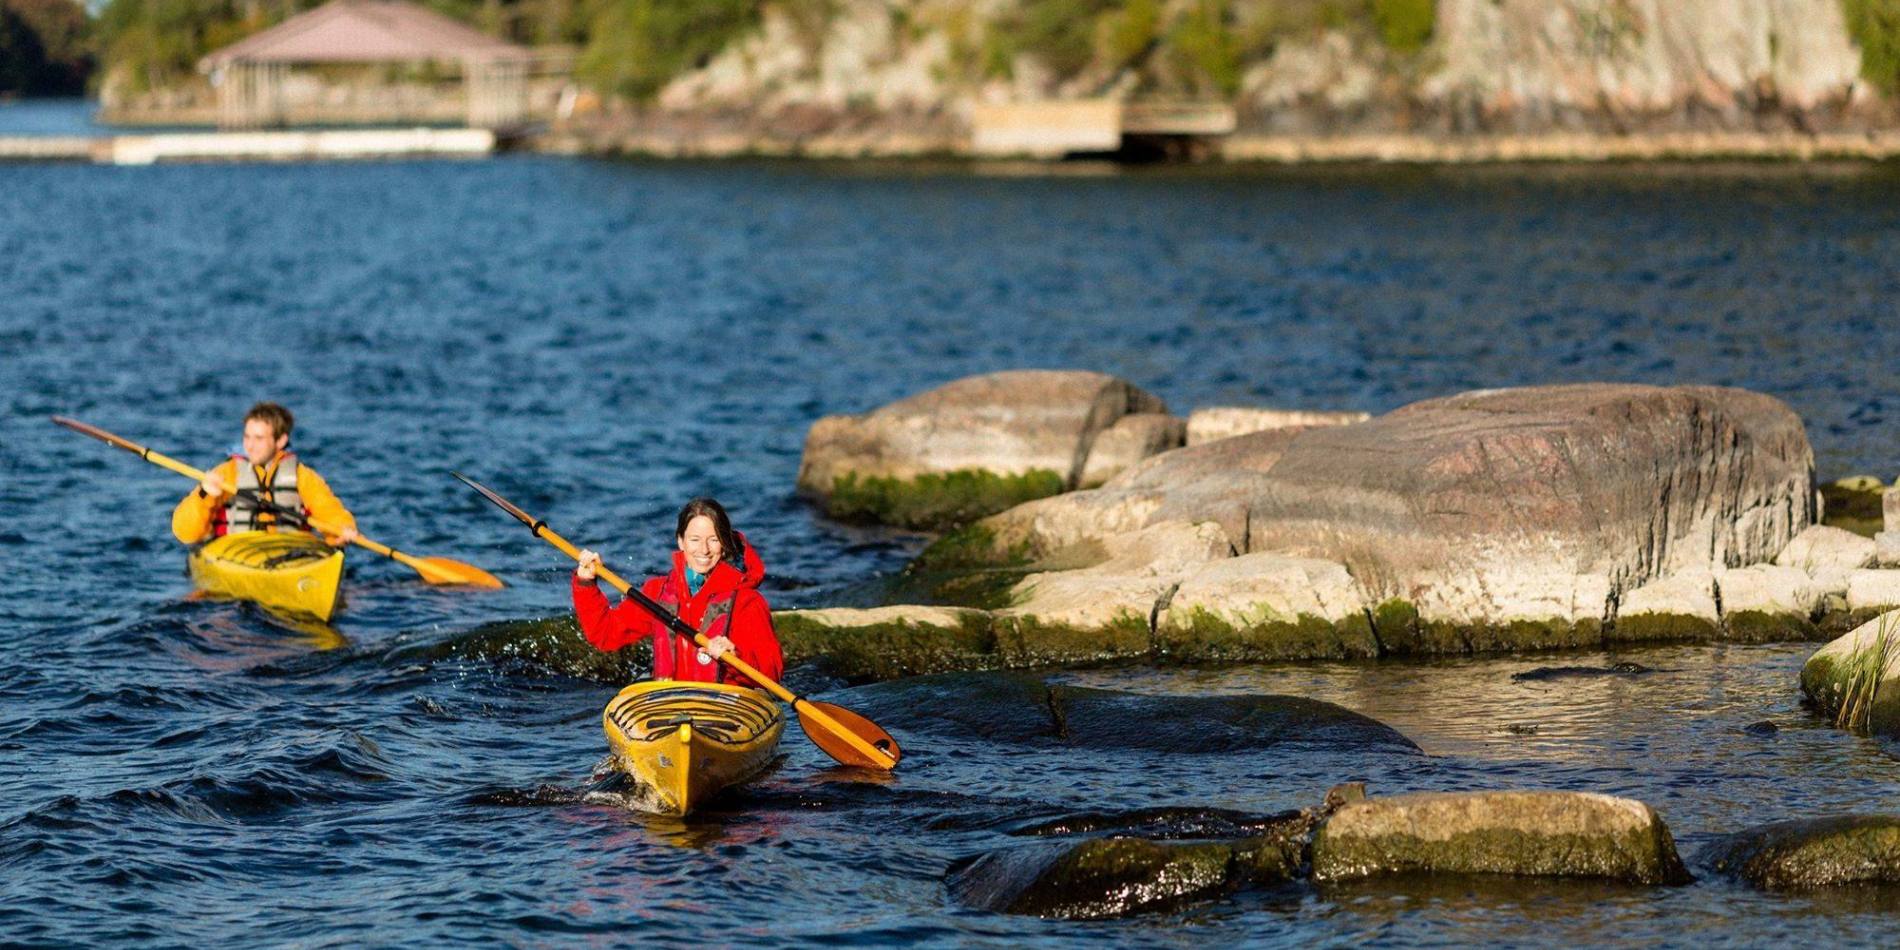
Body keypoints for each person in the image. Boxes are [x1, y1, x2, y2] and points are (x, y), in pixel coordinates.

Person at [572, 497, 784, 688]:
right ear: (680, 541)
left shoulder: (748, 600)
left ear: (725, 545)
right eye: (695, 539)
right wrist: (585, 583)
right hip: (670, 705)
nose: (704, 550)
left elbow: (771, 671)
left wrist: (735, 656)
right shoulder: (658, 592)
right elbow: (605, 634)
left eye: (713, 539)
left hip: (725, 708)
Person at [170, 402, 359, 547]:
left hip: (291, 551)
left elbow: (328, 509)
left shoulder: (303, 477)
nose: (250, 445)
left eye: (259, 438)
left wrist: (343, 529)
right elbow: (185, 533)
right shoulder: (226, 473)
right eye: (247, 437)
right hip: (236, 552)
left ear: (281, 440)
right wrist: (205, 494)